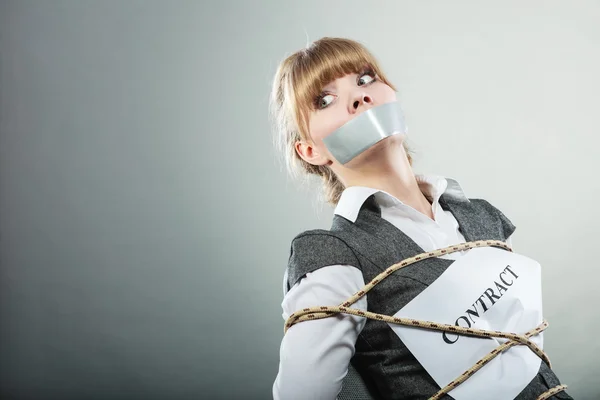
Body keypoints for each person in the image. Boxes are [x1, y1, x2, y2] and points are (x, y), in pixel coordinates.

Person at [269, 37, 571, 400]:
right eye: (325, 100)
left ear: (391, 94)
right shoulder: (332, 254)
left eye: (365, 79)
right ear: (311, 150)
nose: (359, 97)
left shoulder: (478, 216)